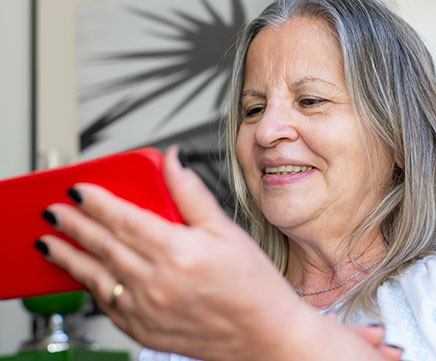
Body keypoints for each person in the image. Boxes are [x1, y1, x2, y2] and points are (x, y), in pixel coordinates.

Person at [34, 0, 436, 360]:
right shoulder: (192, 317)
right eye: (254, 108)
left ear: (398, 138)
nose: (265, 131)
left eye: (310, 101)